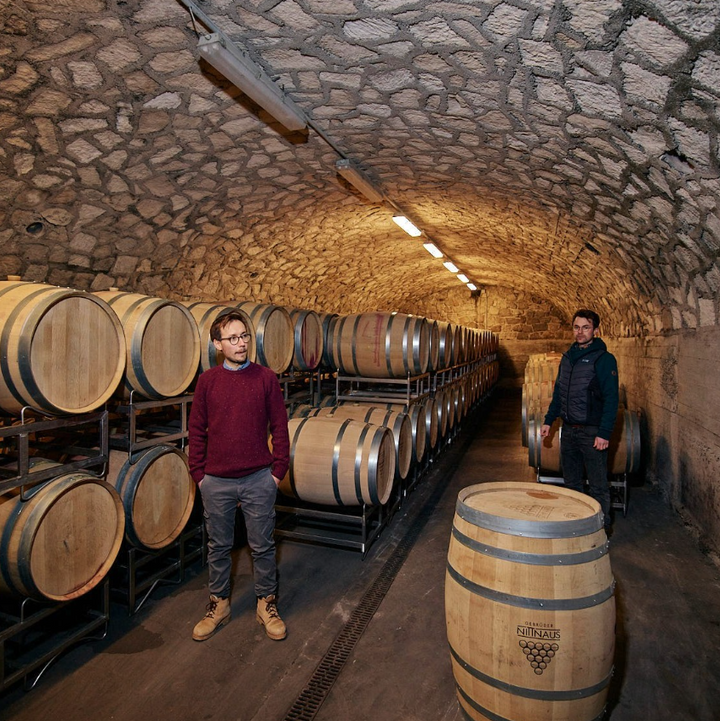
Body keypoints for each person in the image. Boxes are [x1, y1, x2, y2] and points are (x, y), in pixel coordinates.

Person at [188, 310, 290, 642]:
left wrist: (277, 472)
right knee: (218, 547)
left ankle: (266, 604)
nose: (241, 343)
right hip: (216, 481)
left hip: (258, 478)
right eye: (232, 338)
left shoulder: (265, 378)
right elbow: (197, 431)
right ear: (217, 344)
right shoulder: (207, 382)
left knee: (262, 546)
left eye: (244, 336)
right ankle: (219, 605)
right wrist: (199, 475)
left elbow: (280, 427)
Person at [541, 309, 619, 531]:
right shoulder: (567, 358)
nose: (580, 332)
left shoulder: (604, 360)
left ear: (595, 330)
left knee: (598, 486)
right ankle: (577, 526)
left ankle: (601, 529)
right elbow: (559, 392)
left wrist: (604, 433)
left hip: (591, 432)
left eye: (586, 327)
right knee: (572, 483)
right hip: (569, 431)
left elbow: (612, 399)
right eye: (577, 327)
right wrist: (549, 420)